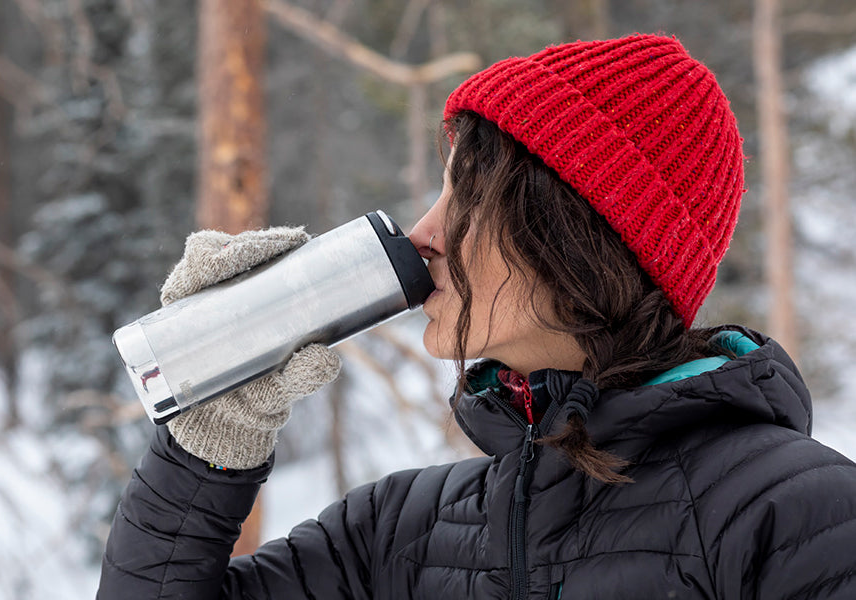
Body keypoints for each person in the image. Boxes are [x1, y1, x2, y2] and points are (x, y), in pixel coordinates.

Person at [98, 34, 856, 599]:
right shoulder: (400, 533)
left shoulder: (791, 511)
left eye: (466, 197)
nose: (423, 230)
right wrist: (210, 445)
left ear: (574, 231)